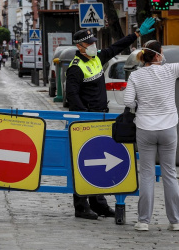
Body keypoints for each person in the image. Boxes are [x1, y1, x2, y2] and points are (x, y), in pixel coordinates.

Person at [66, 17, 156, 220]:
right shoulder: (75, 67)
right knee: (83, 162)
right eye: (88, 44)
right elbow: (72, 97)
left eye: (93, 43)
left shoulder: (97, 57)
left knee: (97, 162)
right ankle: (81, 206)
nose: (93, 46)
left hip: (101, 117)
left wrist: (137, 34)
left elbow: (116, 47)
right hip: (86, 120)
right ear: (79, 46)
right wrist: (84, 118)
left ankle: (99, 204)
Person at [124, 40, 179, 231]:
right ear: (157, 55)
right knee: (170, 174)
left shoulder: (135, 76)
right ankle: (175, 220)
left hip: (145, 128)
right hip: (168, 127)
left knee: (147, 174)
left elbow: (128, 100)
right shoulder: (171, 70)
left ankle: (143, 221)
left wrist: (140, 106)